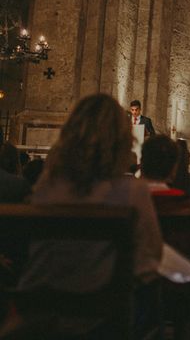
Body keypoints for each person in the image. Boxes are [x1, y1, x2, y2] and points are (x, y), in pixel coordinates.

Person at [15, 94, 163, 337]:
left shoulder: (46, 186)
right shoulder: (132, 191)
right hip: (101, 316)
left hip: (38, 309)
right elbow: (148, 264)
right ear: (122, 139)